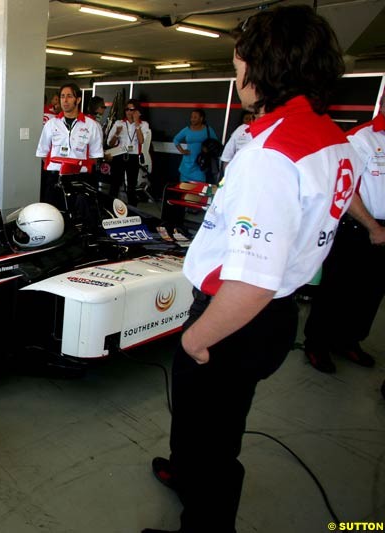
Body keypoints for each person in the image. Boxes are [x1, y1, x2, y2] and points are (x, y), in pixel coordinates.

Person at [143, 6, 355, 533]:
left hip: (235, 316)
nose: (237, 75)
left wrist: (196, 340)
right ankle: (186, 472)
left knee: (214, 437)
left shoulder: (272, 153)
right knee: (204, 424)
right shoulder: (329, 136)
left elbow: (254, 280)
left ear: (266, 65)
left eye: (239, 63)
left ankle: (206, 520)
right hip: (272, 316)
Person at [302, 92, 385, 373]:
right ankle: (317, 344)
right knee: (337, 289)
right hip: (358, 226)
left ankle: (349, 341)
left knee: (370, 292)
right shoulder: (361, 138)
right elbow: (345, 187)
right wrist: (373, 226)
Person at [36, 83, 103, 209]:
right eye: (62, 96)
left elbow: (95, 156)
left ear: (78, 99)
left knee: (79, 217)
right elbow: (43, 153)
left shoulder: (91, 125)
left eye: (69, 96)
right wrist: (58, 168)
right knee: (54, 215)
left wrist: (78, 169)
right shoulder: (51, 124)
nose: (65, 100)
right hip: (55, 177)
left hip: (80, 178)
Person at [105, 98, 150, 205]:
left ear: (137, 111)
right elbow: (109, 143)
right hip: (119, 156)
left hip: (133, 157)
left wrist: (136, 124)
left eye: (132, 109)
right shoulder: (119, 123)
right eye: (127, 110)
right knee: (115, 185)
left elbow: (141, 141)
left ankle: (133, 211)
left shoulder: (144, 124)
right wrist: (116, 133)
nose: (129, 112)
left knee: (131, 186)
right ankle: (110, 208)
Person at [172, 108, 217, 182]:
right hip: (187, 165)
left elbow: (215, 143)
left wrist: (207, 150)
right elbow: (176, 139)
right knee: (184, 189)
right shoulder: (187, 130)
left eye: (195, 117)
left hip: (201, 165)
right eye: (191, 117)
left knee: (198, 190)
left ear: (201, 118)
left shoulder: (208, 130)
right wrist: (182, 151)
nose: (192, 119)